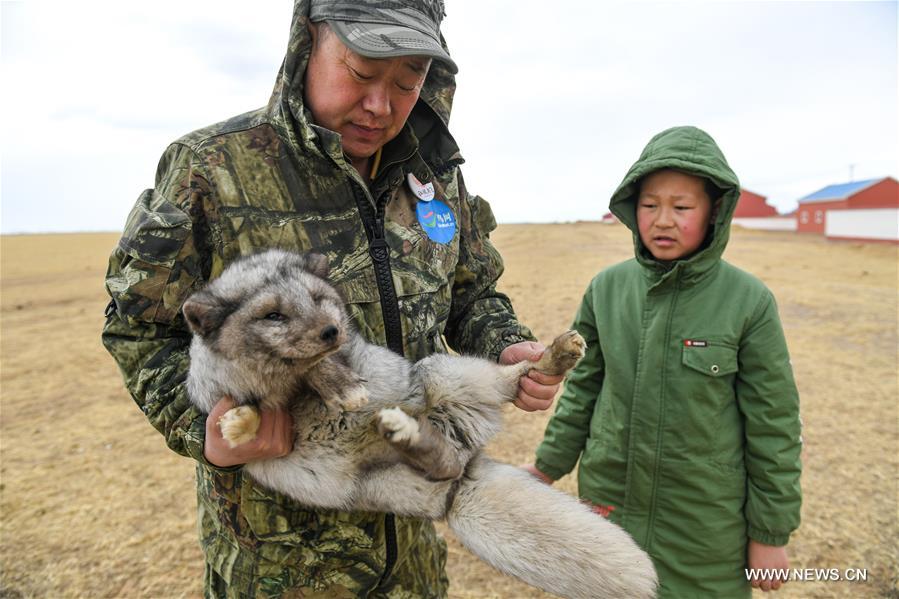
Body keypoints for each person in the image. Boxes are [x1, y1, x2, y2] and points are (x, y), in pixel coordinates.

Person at [101, 1, 564, 596]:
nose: (381, 105)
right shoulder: (211, 169)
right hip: (283, 566)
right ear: (308, 41)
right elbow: (140, 330)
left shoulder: (435, 177)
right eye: (363, 72)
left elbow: (471, 295)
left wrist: (504, 346)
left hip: (412, 549)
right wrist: (207, 426)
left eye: (407, 80)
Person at [524, 126, 802, 597]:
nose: (663, 220)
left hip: (704, 523)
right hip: (610, 504)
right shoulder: (606, 289)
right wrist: (546, 467)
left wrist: (769, 534)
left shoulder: (748, 301)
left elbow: (773, 423)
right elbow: (583, 391)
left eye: (682, 207)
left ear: (714, 211)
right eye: (650, 205)